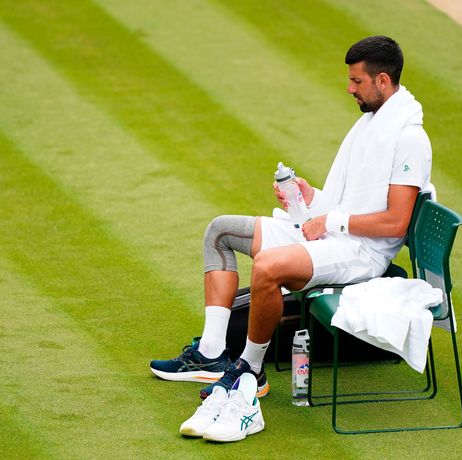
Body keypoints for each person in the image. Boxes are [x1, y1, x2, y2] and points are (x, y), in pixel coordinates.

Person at [150, 35, 432, 400]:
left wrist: (330, 222)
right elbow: (349, 199)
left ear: (382, 81)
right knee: (220, 232)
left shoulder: (409, 139)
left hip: (362, 253)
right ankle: (211, 354)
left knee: (267, 266)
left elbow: (395, 222)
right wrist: (309, 197)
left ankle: (250, 371)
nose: (349, 88)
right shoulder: (373, 122)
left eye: (357, 81)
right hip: (335, 235)